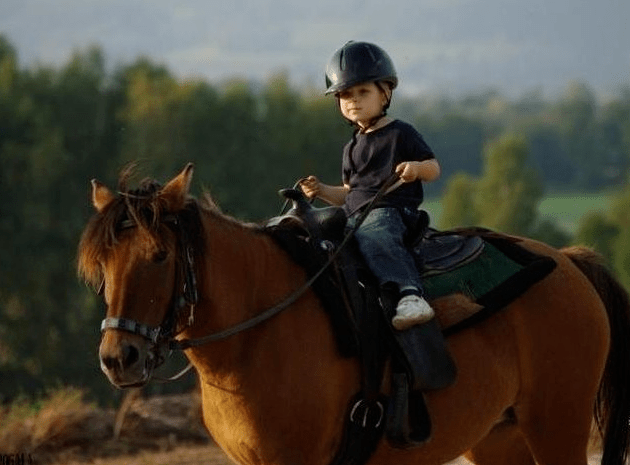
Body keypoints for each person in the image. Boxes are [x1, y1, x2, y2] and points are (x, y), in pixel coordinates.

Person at [300, 41, 440, 331]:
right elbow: (350, 195)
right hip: (357, 215)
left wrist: (416, 169)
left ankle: (410, 294)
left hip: (392, 212)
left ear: (385, 92)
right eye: (345, 94)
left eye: (363, 91)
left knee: (373, 231)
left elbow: (434, 168)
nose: (353, 100)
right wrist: (322, 190)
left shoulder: (401, 133)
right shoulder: (351, 147)